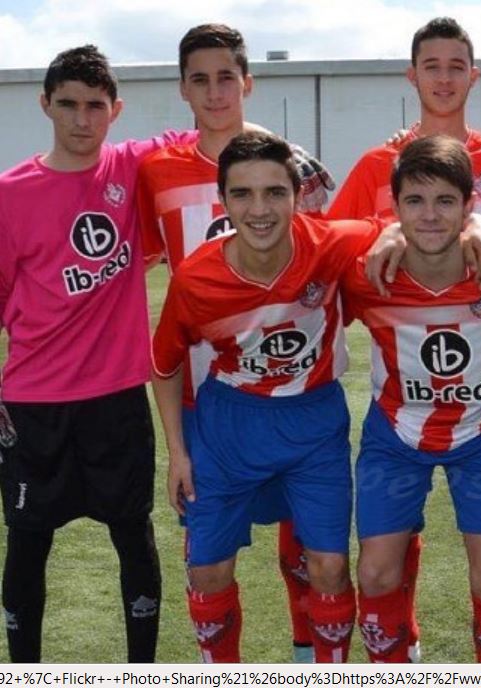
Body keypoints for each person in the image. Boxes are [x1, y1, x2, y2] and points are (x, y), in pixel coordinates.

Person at [136, 23, 328, 663]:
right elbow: (137, 263)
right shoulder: (157, 171)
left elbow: (325, 266)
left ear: (248, 82)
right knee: (208, 562)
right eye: (201, 79)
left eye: (227, 77)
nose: (215, 92)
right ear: (183, 89)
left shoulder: (297, 167)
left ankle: (309, 664)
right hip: (203, 402)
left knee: (306, 554)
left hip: (291, 393)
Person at [0, 44, 196, 663]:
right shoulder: (9, 194)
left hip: (117, 398)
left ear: (116, 109)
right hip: (34, 404)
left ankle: (141, 671)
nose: (82, 120)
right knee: (27, 544)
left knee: (134, 537)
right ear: (45, 105)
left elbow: (211, 133)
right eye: (68, 105)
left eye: (95, 106)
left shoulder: (133, 165)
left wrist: (287, 152)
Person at [150, 132, 374, 663]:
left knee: (329, 567)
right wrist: (177, 453)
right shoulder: (196, 279)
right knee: (208, 570)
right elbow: (164, 365)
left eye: (274, 192)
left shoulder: (332, 242)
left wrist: (479, 227)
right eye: (243, 194)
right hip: (230, 425)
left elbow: (398, 228)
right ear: (223, 201)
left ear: (296, 196)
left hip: (314, 422)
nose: (259, 209)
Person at [340, 135, 481, 663]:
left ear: (470, 206)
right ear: (394, 206)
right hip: (395, 435)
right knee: (374, 573)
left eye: (445, 201)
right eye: (414, 201)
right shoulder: (367, 276)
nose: (430, 215)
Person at [329, 16, 481, 224]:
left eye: (456, 67)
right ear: (413, 76)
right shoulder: (376, 165)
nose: (444, 78)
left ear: (472, 77)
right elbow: (331, 238)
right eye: (432, 67)